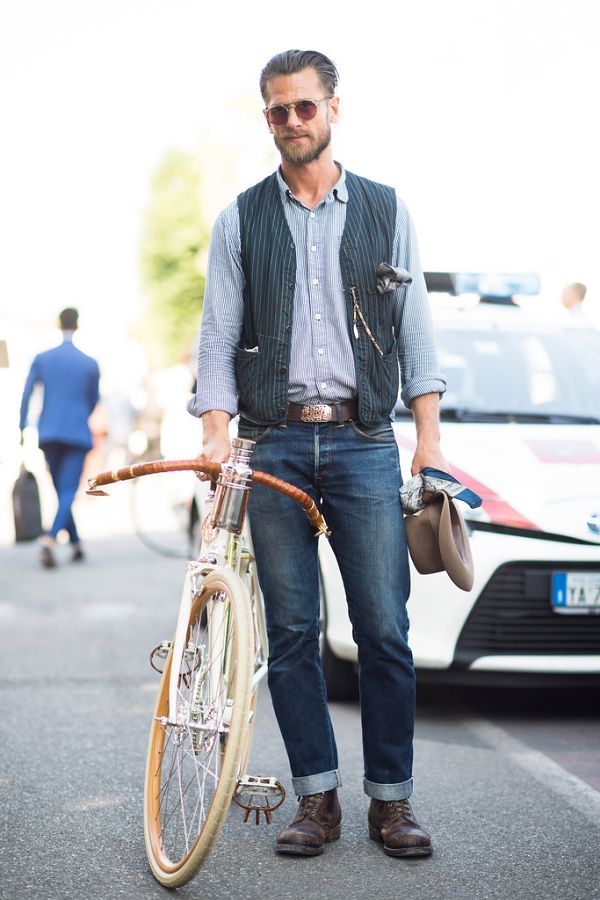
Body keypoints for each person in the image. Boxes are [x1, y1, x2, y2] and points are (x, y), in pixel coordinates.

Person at [188, 49, 446, 859]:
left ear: (334, 107)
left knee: (385, 630)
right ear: (266, 117)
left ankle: (392, 802)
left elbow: (414, 331)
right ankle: (316, 799)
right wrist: (215, 433)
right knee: (294, 633)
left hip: (365, 439)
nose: (292, 121)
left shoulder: (384, 208)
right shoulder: (240, 219)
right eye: (278, 110)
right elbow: (217, 337)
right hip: (273, 441)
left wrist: (429, 439)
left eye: (305, 106)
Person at [19, 307, 100, 567]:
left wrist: (22, 426)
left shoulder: (43, 358)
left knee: (62, 489)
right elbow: (93, 400)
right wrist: (79, 416)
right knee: (67, 490)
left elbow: (27, 393)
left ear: (58, 324)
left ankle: (75, 543)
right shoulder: (89, 363)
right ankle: (50, 540)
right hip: (76, 433)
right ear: (77, 324)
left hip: (49, 432)